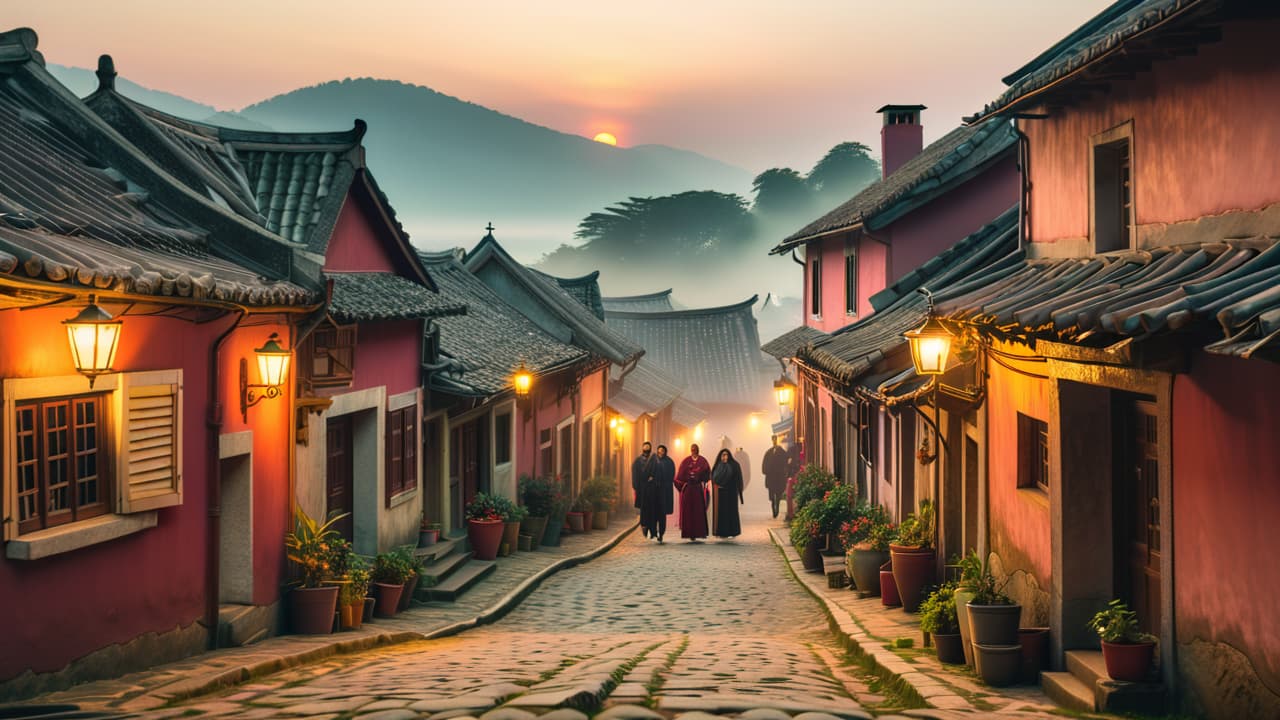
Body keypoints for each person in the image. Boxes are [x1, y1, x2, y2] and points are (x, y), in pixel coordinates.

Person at [674, 443, 710, 541]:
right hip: (688, 489)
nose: (694, 450)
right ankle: (689, 533)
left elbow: (707, 474)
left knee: (698, 511)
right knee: (688, 511)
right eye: (692, 449)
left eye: (696, 449)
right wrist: (683, 486)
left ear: (698, 450)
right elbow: (679, 477)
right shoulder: (685, 461)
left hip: (698, 489)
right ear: (690, 450)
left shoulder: (703, 461)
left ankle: (699, 532)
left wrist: (704, 482)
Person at [710, 448, 744, 539]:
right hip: (720, 493)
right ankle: (721, 532)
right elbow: (713, 478)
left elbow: (739, 479)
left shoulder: (734, 465)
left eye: (726, 455)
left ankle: (733, 531)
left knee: (731, 512)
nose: (725, 457)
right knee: (721, 513)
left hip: (731, 492)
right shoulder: (717, 466)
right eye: (723, 455)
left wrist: (739, 491)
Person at [649, 444, 676, 543]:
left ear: (665, 452)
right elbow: (648, 473)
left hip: (664, 492)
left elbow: (672, 476)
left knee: (662, 514)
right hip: (654, 491)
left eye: (662, 451)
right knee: (653, 513)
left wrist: (665, 484)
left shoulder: (669, 462)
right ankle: (653, 532)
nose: (660, 452)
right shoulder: (652, 461)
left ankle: (661, 534)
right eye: (659, 451)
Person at [632, 442, 657, 538]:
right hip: (642, 489)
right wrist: (636, 487)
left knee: (652, 510)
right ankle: (644, 527)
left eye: (648, 448)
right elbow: (635, 474)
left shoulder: (654, 460)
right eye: (645, 448)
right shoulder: (638, 461)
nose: (646, 450)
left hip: (652, 489)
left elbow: (657, 472)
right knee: (644, 510)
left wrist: (653, 478)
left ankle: (653, 530)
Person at [762, 435, 789, 519]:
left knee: (778, 495)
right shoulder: (768, 452)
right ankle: (774, 509)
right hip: (771, 477)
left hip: (779, 477)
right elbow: (764, 464)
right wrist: (765, 471)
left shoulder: (782, 452)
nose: (774, 440)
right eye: (773, 439)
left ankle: (776, 508)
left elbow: (786, 462)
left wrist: (785, 472)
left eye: (775, 439)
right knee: (772, 496)